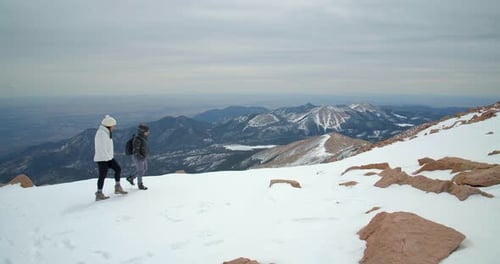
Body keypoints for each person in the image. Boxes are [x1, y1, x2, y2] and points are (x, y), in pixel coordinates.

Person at [93, 115, 128, 201]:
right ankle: (99, 193)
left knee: (118, 169)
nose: (114, 127)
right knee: (102, 175)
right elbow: (102, 148)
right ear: (108, 125)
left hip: (107, 157)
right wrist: (108, 158)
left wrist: (110, 156)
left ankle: (117, 187)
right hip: (102, 158)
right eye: (113, 126)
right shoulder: (101, 134)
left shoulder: (105, 132)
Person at [126, 124, 149, 190]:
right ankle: (140, 185)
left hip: (142, 156)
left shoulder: (142, 137)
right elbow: (136, 150)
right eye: (146, 131)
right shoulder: (138, 139)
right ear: (142, 131)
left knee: (144, 169)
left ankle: (131, 177)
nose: (148, 132)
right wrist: (141, 156)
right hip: (138, 157)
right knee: (141, 171)